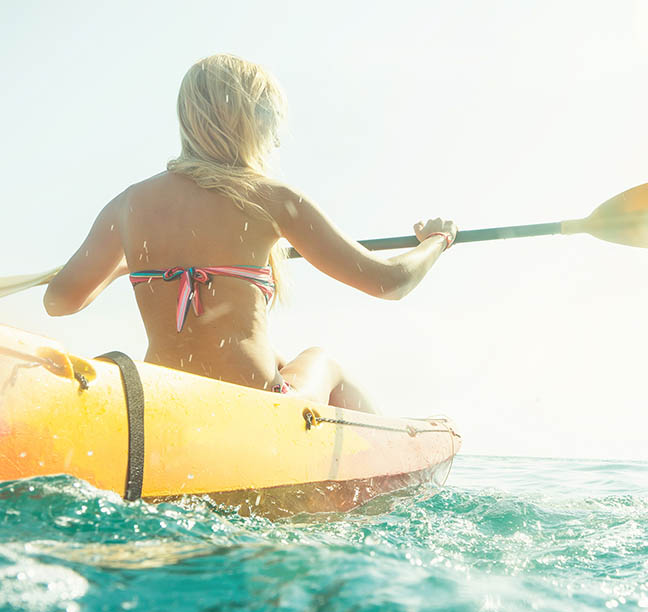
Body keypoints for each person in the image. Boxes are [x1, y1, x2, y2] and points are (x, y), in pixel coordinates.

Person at [43, 54, 457, 414]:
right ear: (253, 121)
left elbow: (59, 302)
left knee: (278, 356)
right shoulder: (272, 199)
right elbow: (389, 282)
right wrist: (436, 242)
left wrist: (123, 267)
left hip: (164, 399)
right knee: (322, 360)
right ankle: (377, 465)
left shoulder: (128, 205)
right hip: (257, 403)